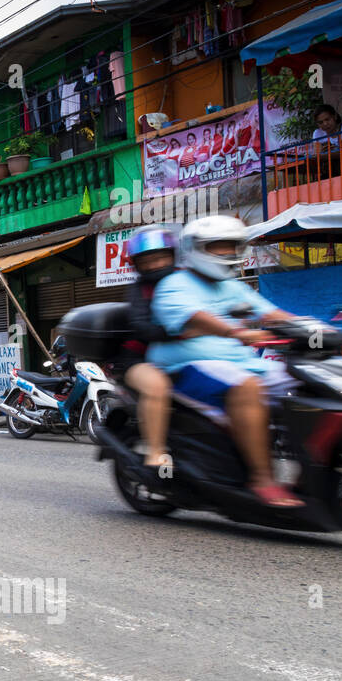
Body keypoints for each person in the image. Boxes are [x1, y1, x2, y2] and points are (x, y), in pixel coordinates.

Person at [149, 215, 300, 507]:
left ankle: (309, 478)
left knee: (307, 384)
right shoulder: (173, 285)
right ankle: (262, 479)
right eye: (218, 247)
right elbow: (196, 317)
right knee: (248, 387)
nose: (227, 254)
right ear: (195, 249)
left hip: (243, 363)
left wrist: (316, 329)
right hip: (187, 368)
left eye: (232, 246)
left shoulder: (233, 286)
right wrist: (237, 331)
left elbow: (271, 314)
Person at [114, 226, 178, 468]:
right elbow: (140, 324)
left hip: (183, 353)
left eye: (161, 257)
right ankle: (156, 453)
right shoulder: (138, 289)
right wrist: (178, 331)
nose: (155, 265)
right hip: (139, 357)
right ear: (137, 264)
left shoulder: (185, 280)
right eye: (148, 261)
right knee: (156, 387)